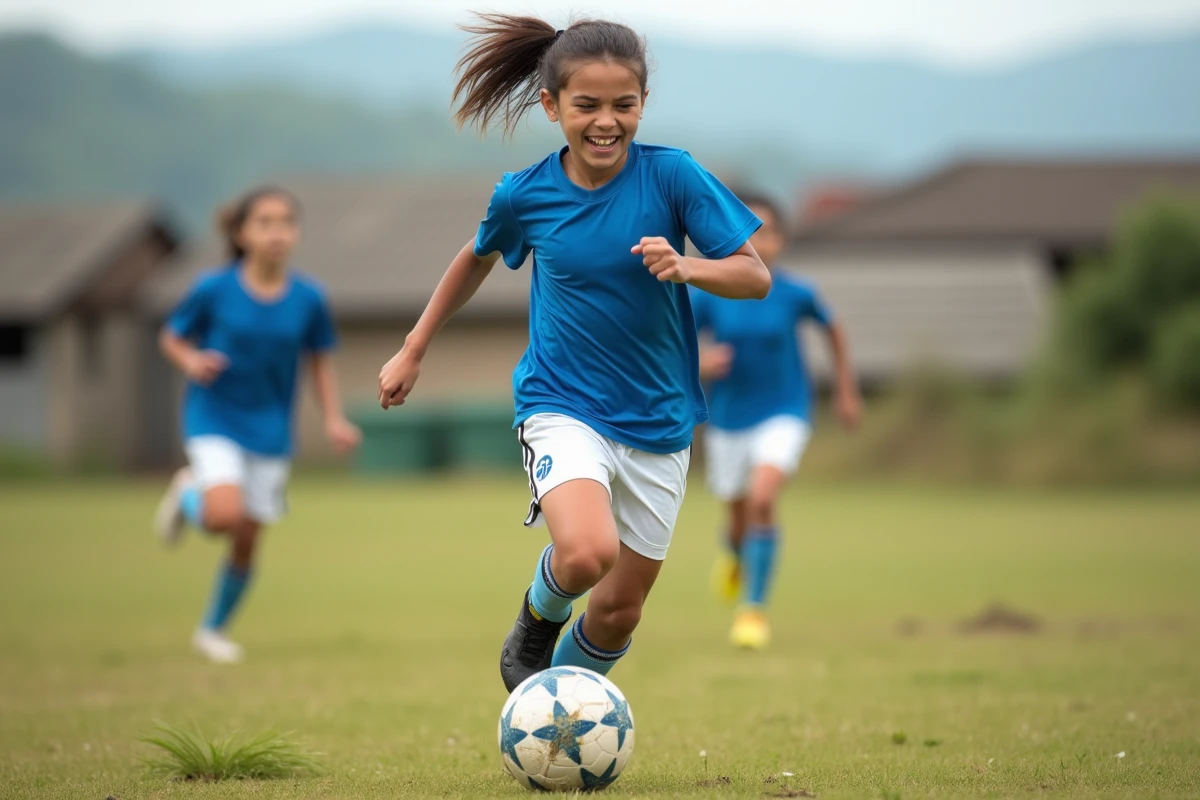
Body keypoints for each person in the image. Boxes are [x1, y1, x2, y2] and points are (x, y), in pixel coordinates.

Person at [377, 14, 771, 692]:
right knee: (587, 554)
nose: (606, 121)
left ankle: (558, 713)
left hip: (659, 419)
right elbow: (473, 261)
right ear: (552, 105)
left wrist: (687, 266)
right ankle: (538, 616)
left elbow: (753, 275)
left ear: (643, 103)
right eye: (587, 105)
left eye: (624, 105)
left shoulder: (673, 176)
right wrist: (414, 347)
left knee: (620, 612)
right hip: (562, 403)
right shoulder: (524, 194)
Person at [153, 186, 361, 664]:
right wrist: (190, 360)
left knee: (246, 538)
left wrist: (333, 418)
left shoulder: (309, 298)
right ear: (242, 233)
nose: (277, 232)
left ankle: (212, 631)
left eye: (286, 222)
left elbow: (319, 360)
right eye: (264, 222)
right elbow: (172, 335)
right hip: (214, 416)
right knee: (223, 515)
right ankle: (189, 493)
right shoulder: (213, 288)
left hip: (269, 429)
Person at [691, 190, 862, 650]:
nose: (759, 241)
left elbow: (834, 327)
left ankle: (753, 612)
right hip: (727, 417)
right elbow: (675, 341)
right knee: (738, 516)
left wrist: (846, 389)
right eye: (750, 231)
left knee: (764, 499)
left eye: (768, 232)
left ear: (782, 240)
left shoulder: (796, 292)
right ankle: (734, 552)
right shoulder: (712, 289)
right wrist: (701, 362)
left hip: (784, 411)